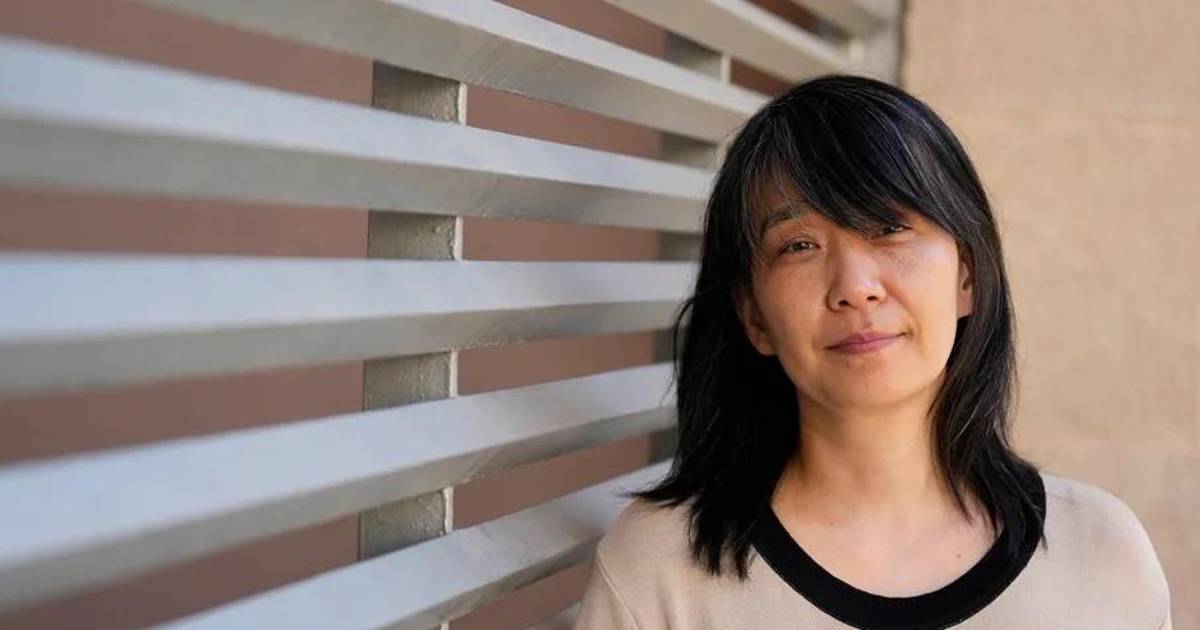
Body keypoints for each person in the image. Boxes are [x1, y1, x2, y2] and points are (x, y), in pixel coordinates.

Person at [572, 75, 1172, 629]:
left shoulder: (1101, 555)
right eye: (799, 245)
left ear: (966, 274)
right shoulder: (658, 572)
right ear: (753, 315)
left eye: (888, 227)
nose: (855, 287)